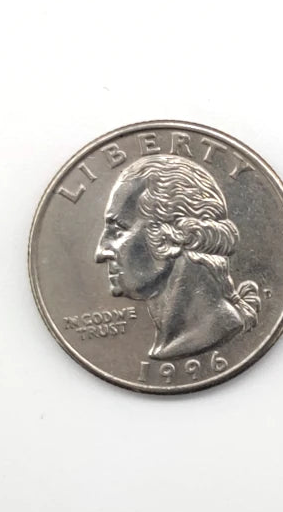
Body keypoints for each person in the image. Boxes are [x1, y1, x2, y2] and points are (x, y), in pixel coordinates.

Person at [95, 154, 260, 359]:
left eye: (118, 231)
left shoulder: (207, 335)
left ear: (172, 236)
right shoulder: (172, 343)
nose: (100, 253)